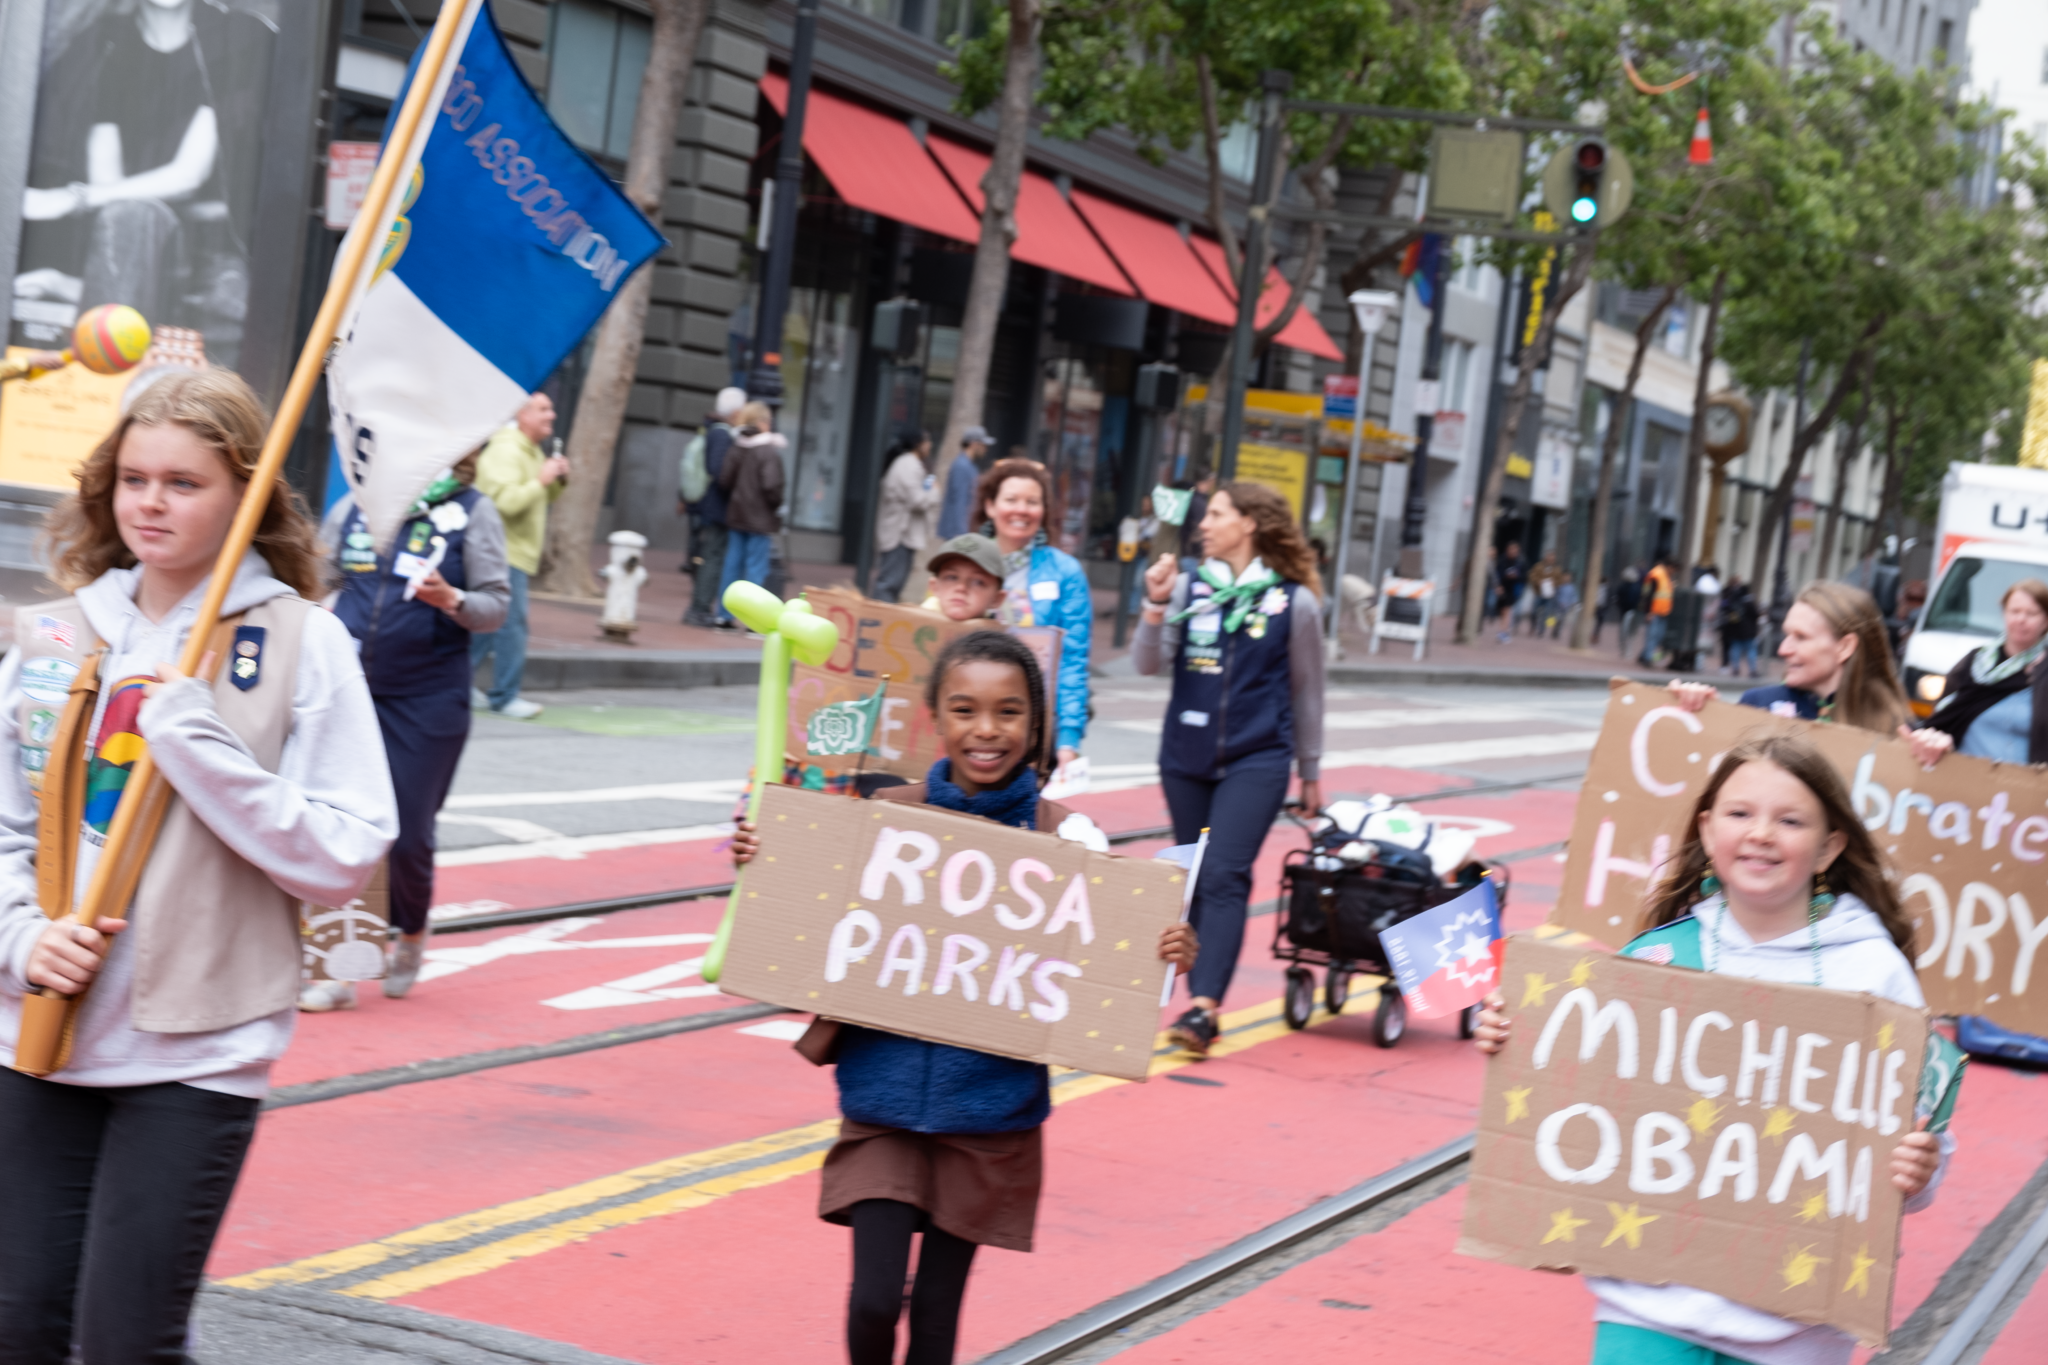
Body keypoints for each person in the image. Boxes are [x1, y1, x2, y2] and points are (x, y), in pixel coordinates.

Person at [0, 369, 397, 1361]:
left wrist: (203, 748)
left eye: (183, 482)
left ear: (244, 493)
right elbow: (8, 826)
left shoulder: (306, 643)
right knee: (19, 1324)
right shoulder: (54, 634)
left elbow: (346, 849)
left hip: (197, 1049)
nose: (150, 503)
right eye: (134, 479)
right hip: (40, 1033)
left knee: (126, 1341)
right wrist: (21, 940)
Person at [730, 632, 1196, 1365]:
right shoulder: (884, 815)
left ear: (1035, 726)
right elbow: (809, 910)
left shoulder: (1068, 840)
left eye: (1009, 711)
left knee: (937, 1320)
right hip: (882, 1100)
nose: (987, 729)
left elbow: (1114, 961)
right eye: (966, 709)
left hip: (988, 1117)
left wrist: (1165, 949)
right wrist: (765, 856)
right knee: (876, 1300)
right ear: (935, 719)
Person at [1473, 733, 1948, 1365]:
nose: (1761, 833)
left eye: (1790, 820)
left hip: (1794, 1328)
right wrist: (1515, 1041)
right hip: (1645, 1311)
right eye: (1740, 813)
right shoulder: (1657, 958)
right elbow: (1580, 1101)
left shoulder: (1876, 979)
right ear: (1706, 827)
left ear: (1830, 846)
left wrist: (1919, 1170)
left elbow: (1918, 1151)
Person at [309, 449, 511, 1010]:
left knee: (408, 834)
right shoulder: (353, 508)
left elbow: (496, 606)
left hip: (429, 697)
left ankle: (411, 933)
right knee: (341, 822)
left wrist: (450, 599)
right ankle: (339, 969)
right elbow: (317, 580)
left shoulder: (473, 512)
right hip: (349, 689)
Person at [1135, 481, 1325, 1055]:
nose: (1204, 524)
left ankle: (1203, 1007)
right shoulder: (1189, 586)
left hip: (1259, 757)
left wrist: (1309, 770)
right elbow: (1147, 664)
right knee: (1192, 879)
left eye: (1216, 514)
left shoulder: (1295, 602)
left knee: (1222, 874)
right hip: (1185, 757)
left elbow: (1308, 692)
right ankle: (1192, 992)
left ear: (1249, 523)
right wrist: (1154, 604)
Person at [14, 0, 275, 370]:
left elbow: (188, 175)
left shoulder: (238, 37)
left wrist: (72, 199)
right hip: (131, 244)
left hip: (214, 250)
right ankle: (97, 402)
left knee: (236, 319)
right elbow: (112, 191)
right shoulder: (106, 43)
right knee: (132, 217)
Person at [1668, 581, 1911, 735]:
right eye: (1786, 635)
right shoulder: (1758, 705)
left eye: (1801, 637)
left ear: (1844, 647)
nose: (1783, 650)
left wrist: (1932, 754)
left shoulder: (1895, 727)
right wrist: (1703, 714)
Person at [975, 458, 1093, 774]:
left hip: (1033, 728)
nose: (1021, 510)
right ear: (990, 506)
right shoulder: (961, 564)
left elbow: (1073, 659)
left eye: (1032, 502)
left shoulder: (1066, 572)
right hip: (969, 722)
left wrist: (1068, 740)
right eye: (1011, 500)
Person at [469, 391, 566, 719]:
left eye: (550, 408)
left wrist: (555, 482)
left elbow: (537, 496)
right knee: (512, 626)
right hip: (502, 552)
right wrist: (542, 481)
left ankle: (460, 682)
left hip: (511, 552)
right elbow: (504, 503)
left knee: (487, 625)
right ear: (522, 415)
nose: (551, 414)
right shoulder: (507, 450)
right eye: (542, 409)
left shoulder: (530, 450)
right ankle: (504, 696)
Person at [1905, 579, 2048, 766]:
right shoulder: (1976, 661)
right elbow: (1947, 716)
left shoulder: (2044, 671)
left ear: (2045, 621)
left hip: (2025, 786)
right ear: (2004, 614)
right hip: (1968, 780)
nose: (2021, 619)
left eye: (2031, 613)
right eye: (2015, 611)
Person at [715, 401, 786, 622]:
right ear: (761, 422)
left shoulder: (737, 446)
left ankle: (723, 616)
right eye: (768, 420)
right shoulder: (767, 450)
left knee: (732, 567)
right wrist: (776, 505)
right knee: (756, 570)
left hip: (736, 516)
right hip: (759, 519)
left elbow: (724, 480)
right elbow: (772, 486)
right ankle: (753, 621)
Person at [682, 386, 745, 628]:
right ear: (735, 411)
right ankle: (699, 608)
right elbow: (718, 471)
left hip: (716, 507)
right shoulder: (721, 434)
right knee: (713, 558)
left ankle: (700, 608)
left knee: (712, 556)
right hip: (718, 508)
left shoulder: (717, 431)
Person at [873, 430, 938, 604]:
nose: (930, 445)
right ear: (918, 444)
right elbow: (918, 500)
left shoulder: (907, 463)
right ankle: (879, 622)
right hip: (900, 535)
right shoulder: (908, 465)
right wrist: (934, 492)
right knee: (889, 585)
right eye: (927, 441)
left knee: (892, 583)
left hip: (901, 534)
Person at [923, 533, 1006, 623]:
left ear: (997, 599)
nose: (961, 588)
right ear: (934, 587)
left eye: (978, 582)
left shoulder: (997, 635)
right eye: (952, 577)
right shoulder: (912, 624)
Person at [936, 425, 991, 541]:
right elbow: (959, 501)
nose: (985, 449)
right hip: (957, 533)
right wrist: (961, 533)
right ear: (974, 444)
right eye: (983, 445)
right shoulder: (961, 466)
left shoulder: (969, 466)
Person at [1718, 576, 1761, 678]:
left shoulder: (1733, 601)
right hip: (1749, 631)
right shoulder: (1749, 602)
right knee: (1751, 650)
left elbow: (1725, 610)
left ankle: (1736, 669)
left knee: (1735, 649)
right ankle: (1753, 670)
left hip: (1735, 630)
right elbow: (1756, 614)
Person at [1638, 555, 1674, 665]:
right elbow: (1648, 594)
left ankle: (1644, 655)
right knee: (1652, 635)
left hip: (1662, 612)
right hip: (1654, 612)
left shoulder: (1665, 576)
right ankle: (1647, 658)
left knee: (1657, 636)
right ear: (1669, 566)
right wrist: (1648, 612)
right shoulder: (1656, 575)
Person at [1494, 541, 1527, 643]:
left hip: (1513, 590)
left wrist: (1516, 576)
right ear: (1507, 550)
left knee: (1507, 610)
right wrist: (1498, 586)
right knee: (1502, 611)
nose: (1513, 552)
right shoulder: (1502, 560)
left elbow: (1524, 577)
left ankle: (1503, 632)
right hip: (1502, 588)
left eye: (1515, 550)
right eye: (1511, 549)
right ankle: (1504, 631)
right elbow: (1497, 575)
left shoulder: (1520, 562)